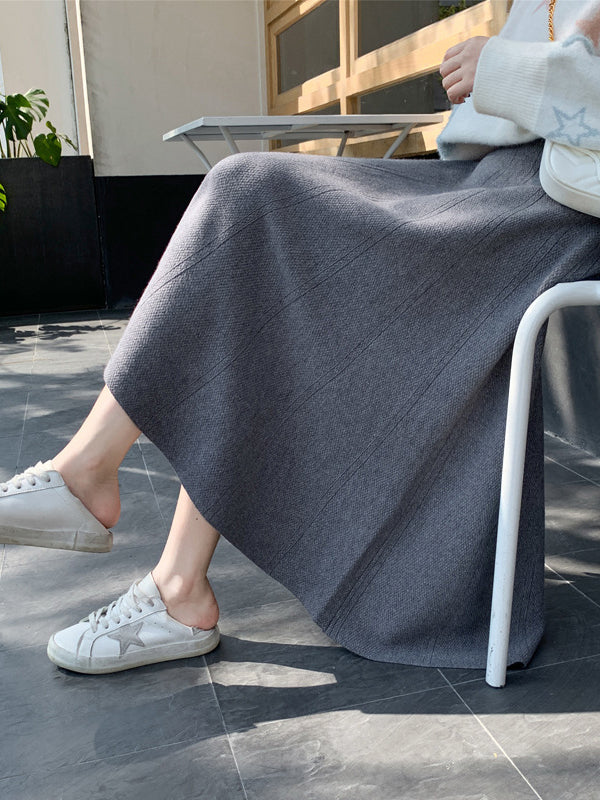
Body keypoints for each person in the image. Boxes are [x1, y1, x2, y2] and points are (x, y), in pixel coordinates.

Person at [1, 0, 599, 675]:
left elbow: (556, 90)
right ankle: (155, 557)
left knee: (251, 195)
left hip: (539, 212)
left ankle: (113, 510)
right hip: (477, 184)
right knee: (249, 207)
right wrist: (514, 71)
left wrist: (508, 69)